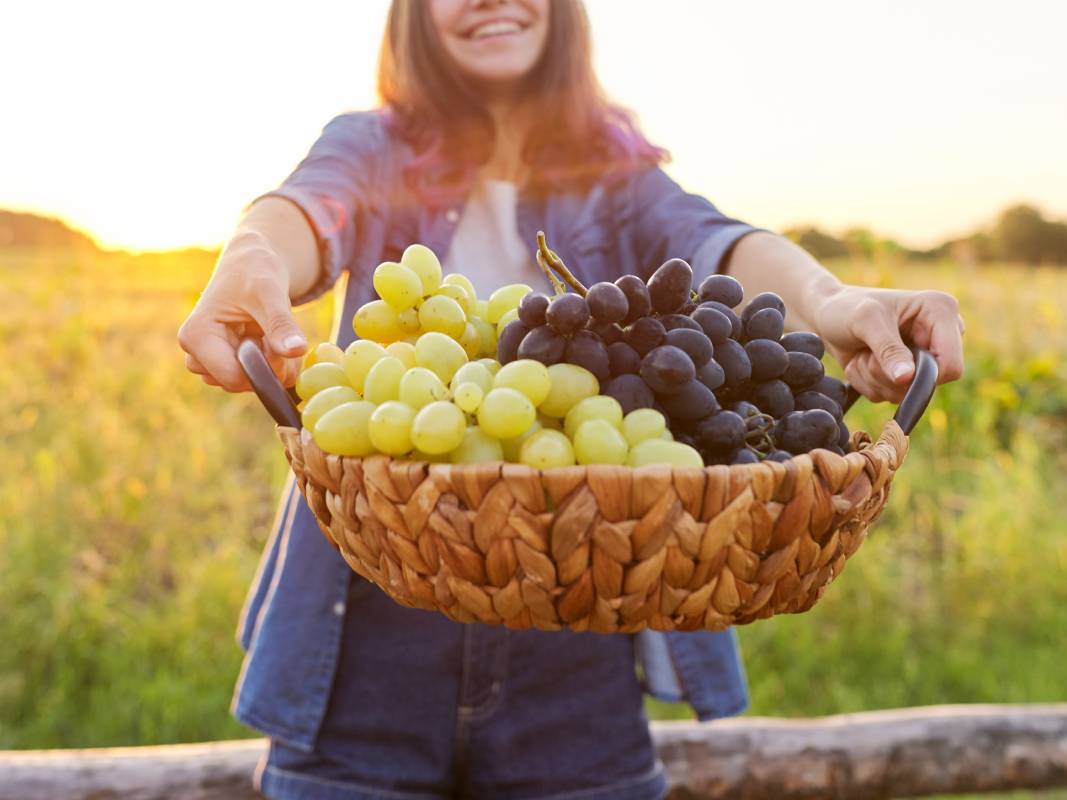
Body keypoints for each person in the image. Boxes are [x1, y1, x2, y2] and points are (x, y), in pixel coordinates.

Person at [178, 1, 966, 798]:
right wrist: (252, 250)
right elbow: (309, 206)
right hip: (368, 635)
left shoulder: (615, 172)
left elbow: (714, 239)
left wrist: (829, 301)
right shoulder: (370, 147)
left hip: (584, 635)